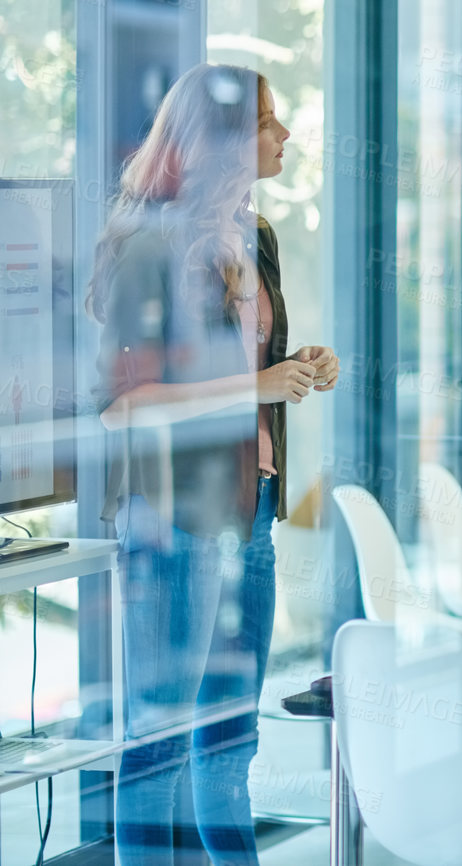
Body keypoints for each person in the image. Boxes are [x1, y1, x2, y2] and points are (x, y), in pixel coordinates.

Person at [92, 63, 340, 865]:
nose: (286, 135)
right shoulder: (146, 243)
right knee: (160, 744)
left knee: (231, 741)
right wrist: (255, 384)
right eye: (269, 121)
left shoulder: (252, 233)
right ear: (224, 140)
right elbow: (121, 406)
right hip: (175, 518)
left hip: (251, 511)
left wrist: (295, 364)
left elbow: (239, 368)